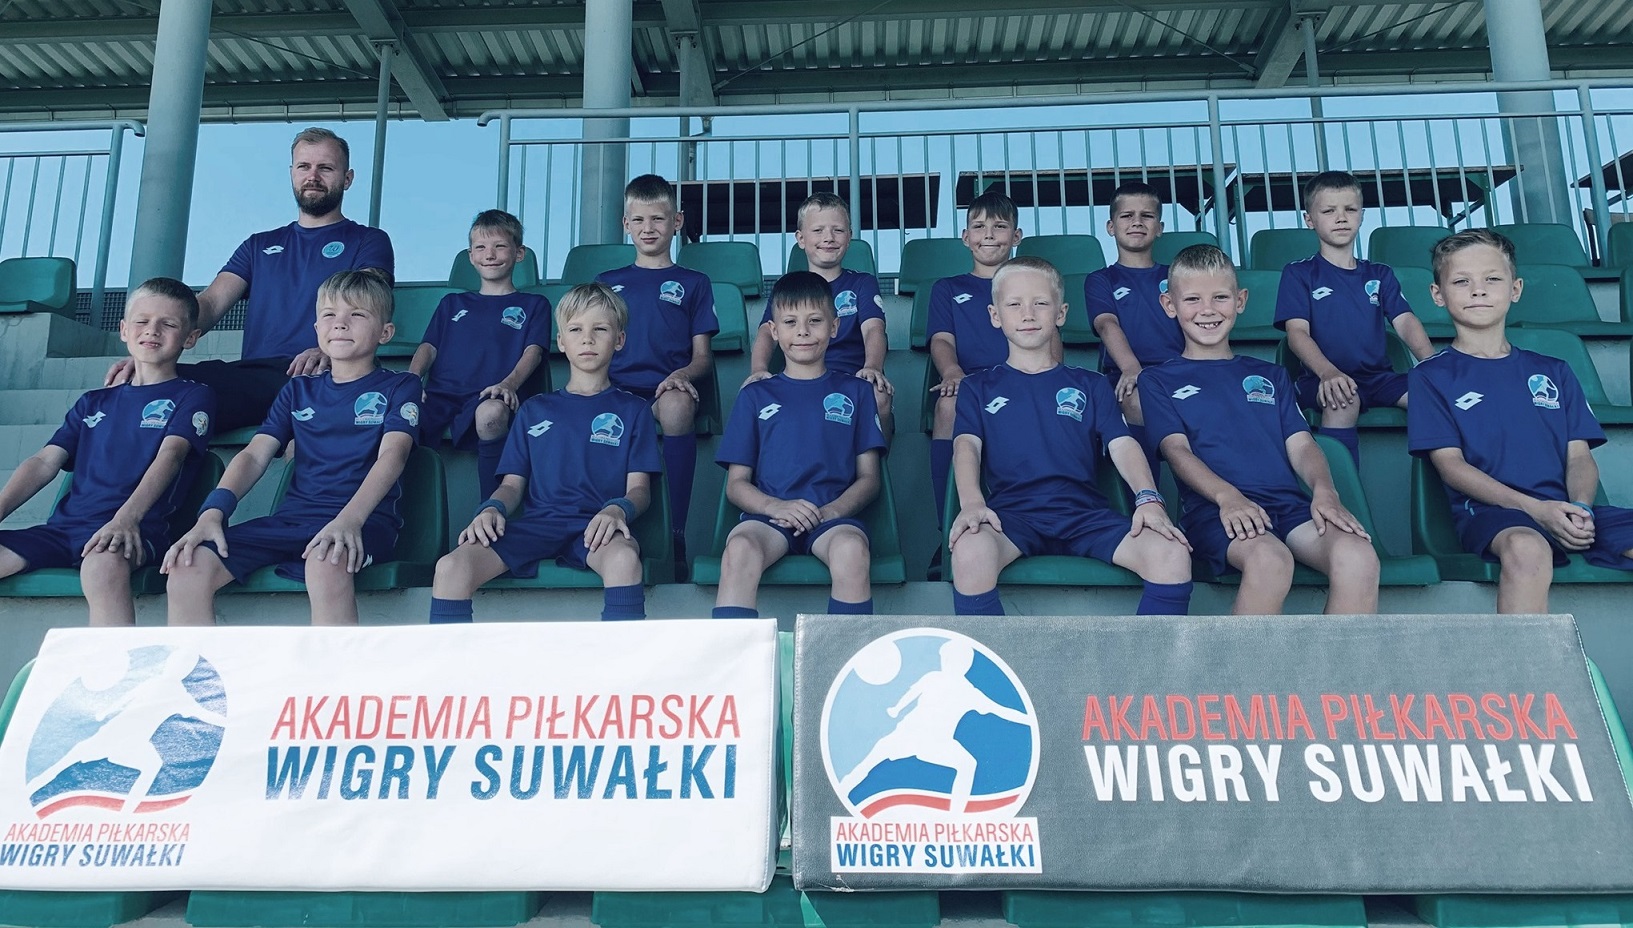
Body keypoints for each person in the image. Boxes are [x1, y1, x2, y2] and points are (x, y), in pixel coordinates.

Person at [162, 270, 419, 626]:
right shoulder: (298, 390)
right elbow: (254, 455)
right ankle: (201, 667)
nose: (340, 323)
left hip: (363, 522)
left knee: (327, 560)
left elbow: (394, 455)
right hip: (292, 521)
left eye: (357, 314)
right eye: (329, 314)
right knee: (188, 565)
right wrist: (212, 512)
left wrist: (349, 520)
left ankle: (334, 666)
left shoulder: (400, 386)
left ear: (385, 333)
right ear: (316, 329)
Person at [1140, 244, 1380, 616]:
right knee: (1270, 561)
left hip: (1288, 507)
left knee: (1359, 557)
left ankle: (1334, 659)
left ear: (1240, 300)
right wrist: (1228, 497)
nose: (1208, 310)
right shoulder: (1157, 380)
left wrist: (1325, 491)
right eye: (1193, 299)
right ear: (1170, 305)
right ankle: (1243, 660)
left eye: (1220, 297)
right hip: (1217, 512)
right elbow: (1177, 451)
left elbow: (1302, 446)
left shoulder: (1271, 375)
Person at [947, 256, 1192, 618]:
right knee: (970, 551)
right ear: (995, 316)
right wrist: (971, 503)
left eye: (1040, 303)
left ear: (1060, 313)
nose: (1028, 314)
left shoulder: (1091, 384)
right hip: (1012, 517)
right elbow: (966, 446)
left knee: (1171, 552)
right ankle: (993, 657)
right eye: (1014, 305)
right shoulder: (977, 387)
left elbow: (1122, 444)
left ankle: (1148, 658)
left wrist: (1148, 497)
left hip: (1085, 516)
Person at [106, 128, 394, 432]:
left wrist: (330, 349)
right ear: (292, 173)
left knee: (172, 400)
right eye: (304, 167)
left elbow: (369, 301)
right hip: (253, 375)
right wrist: (150, 355)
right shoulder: (258, 245)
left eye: (325, 168)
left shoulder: (368, 240)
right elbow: (209, 304)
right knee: (143, 383)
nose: (313, 176)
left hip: (322, 371)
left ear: (347, 178)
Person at [1408, 228, 1633, 613]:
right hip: (1494, 515)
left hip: (1564, 508)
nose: (1478, 291)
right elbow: (1451, 467)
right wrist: (1535, 510)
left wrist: (1580, 508)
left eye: (1492, 279)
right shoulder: (1431, 377)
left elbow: (1579, 457)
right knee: (1527, 548)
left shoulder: (1554, 371)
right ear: (1437, 294)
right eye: (1461, 281)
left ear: (1515, 289)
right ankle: (1524, 657)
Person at [428, 284, 660, 623]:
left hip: (596, 527)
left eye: (600, 329)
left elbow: (640, 490)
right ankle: (450, 660)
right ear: (561, 341)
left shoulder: (634, 410)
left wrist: (616, 510)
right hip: (537, 526)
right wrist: (491, 508)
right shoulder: (534, 409)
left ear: (619, 340)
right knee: (451, 567)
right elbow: (511, 485)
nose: (587, 339)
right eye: (576, 330)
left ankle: (621, 658)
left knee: (624, 560)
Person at [0, 278, 214, 626]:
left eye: (168, 324)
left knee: (101, 566)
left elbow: (171, 456)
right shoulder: (93, 402)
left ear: (190, 338)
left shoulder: (193, 395)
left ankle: (115, 662)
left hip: (136, 529)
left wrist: (126, 518)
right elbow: (43, 462)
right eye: (142, 321)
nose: (153, 330)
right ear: (124, 330)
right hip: (64, 530)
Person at [714, 272, 887, 619]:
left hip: (832, 518)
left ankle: (844, 654)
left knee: (852, 550)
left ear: (835, 326)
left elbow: (869, 478)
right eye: (790, 322)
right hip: (769, 517)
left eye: (815, 321)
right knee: (740, 548)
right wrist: (775, 507)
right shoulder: (754, 395)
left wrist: (832, 511)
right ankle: (736, 655)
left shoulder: (857, 392)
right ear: (774, 331)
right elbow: (736, 485)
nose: (803, 332)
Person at [596, 175, 717, 568]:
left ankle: (675, 534)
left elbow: (702, 358)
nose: (648, 228)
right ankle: (599, 530)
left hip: (667, 387)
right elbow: (592, 348)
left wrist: (680, 376)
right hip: (616, 388)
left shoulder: (694, 282)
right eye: (639, 220)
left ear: (677, 222)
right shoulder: (607, 283)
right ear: (625, 224)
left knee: (677, 406)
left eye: (658, 219)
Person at [1275, 170, 1434, 466]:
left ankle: (1456, 485)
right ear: (1310, 219)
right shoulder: (1299, 273)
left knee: (1435, 399)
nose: (1341, 218)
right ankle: (1339, 493)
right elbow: (1297, 333)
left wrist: (1432, 362)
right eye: (1329, 211)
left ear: (1361, 216)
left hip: (1379, 378)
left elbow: (1405, 322)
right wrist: (1327, 372)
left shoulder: (1379, 274)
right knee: (1342, 399)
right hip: (1323, 378)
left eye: (1350, 209)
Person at [410, 209, 550, 499]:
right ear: (471, 256)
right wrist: (412, 379)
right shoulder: (452, 303)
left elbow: (534, 352)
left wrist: (509, 384)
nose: (490, 255)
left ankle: (491, 510)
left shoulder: (535, 304)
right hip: (441, 395)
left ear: (519, 253)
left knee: (491, 414)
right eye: (481, 247)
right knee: (400, 414)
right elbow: (428, 347)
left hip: (492, 394)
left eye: (500, 246)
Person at [748, 193, 895, 441]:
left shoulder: (862, 283)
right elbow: (766, 332)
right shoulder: (788, 287)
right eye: (818, 230)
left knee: (878, 395)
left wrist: (872, 366)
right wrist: (759, 369)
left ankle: (874, 465)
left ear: (849, 237)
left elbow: (874, 329)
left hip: (849, 377)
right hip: (798, 377)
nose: (828, 238)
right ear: (800, 239)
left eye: (838, 230)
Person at [926, 190, 1028, 527]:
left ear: (1016, 236)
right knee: (947, 406)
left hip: (1022, 377)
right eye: (979, 227)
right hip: (970, 380)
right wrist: (952, 371)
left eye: (999, 226)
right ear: (965, 237)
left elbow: (1049, 339)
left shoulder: (1029, 284)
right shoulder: (947, 288)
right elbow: (941, 339)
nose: (989, 235)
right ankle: (947, 527)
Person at [1086, 180, 1186, 480]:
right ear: (1111, 226)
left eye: (1147, 216)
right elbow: (1106, 324)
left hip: (1179, 370)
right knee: (1135, 399)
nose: (1137, 222)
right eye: (1127, 216)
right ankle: (1148, 498)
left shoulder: (1178, 276)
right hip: (1127, 374)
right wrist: (1131, 367)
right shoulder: (1101, 279)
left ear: (1160, 227)